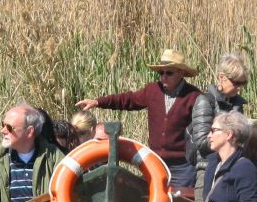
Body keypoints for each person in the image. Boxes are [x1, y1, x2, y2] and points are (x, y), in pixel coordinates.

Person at [74, 49, 201, 187]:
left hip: (182, 167)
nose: (163, 76)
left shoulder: (194, 96)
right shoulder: (153, 90)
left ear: (181, 72)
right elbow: (128, 100)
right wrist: (98, 102)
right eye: (161, 72)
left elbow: (203, 131)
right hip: (155, 162)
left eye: (169, 73)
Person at [0, 104, 64, 202]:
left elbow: (66, 194)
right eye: (3, 125)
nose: (3, 131)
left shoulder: (54, 158)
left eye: (9, 127)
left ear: (29, 131)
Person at [190, 52, 249, 202]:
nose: (240, 88)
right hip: (207, 169)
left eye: (243, 83)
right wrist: (229, 140)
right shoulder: (205, 101)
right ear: (221, 77)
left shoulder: (237, 104)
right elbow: (202, 142)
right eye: (236, 83)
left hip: (234, 169)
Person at [202, 112, 257, 202]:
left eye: (214, 130)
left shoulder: (244, 167)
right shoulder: (212, 163)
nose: (209, 135)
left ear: (229, 134)